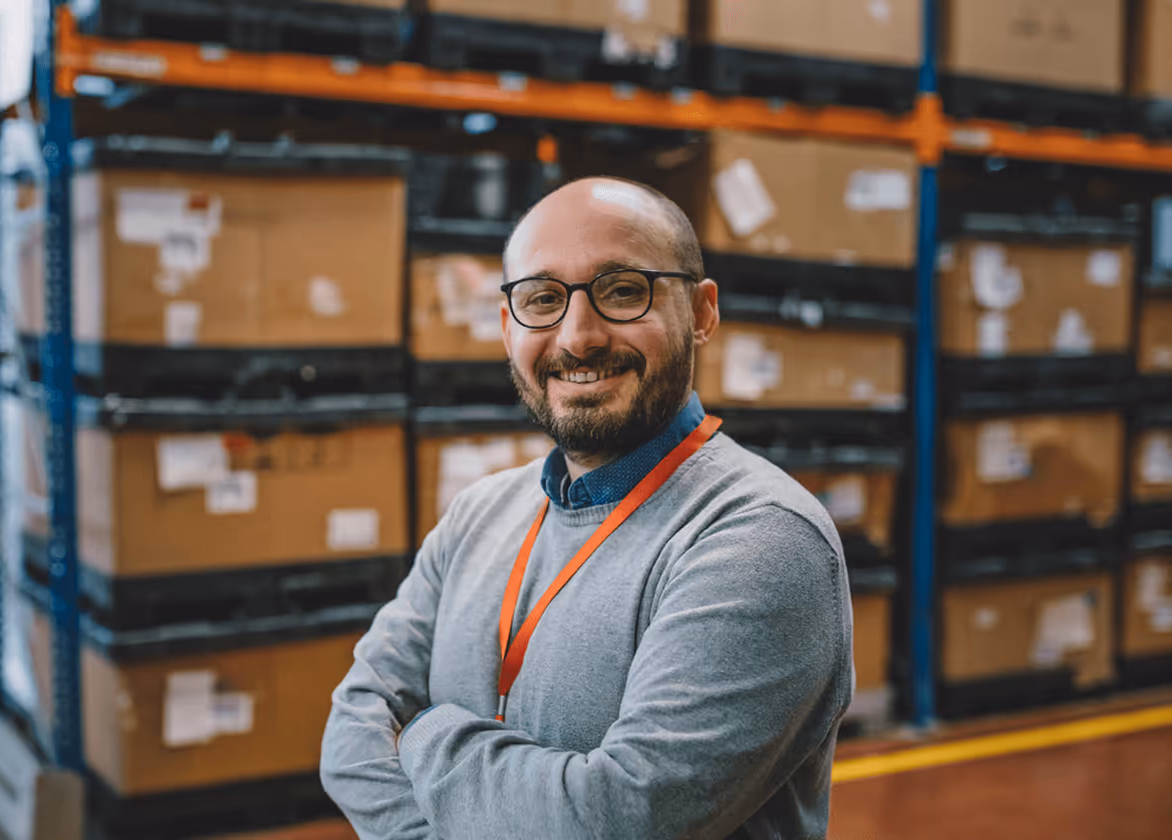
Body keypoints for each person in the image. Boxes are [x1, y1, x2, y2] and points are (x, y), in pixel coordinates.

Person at [320, 176, 853, 840]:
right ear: (506, 325)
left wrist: (425, 736)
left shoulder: (760, 539)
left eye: (623, 291)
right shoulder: (476, 516)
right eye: (542, 298)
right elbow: (351, 732)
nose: (578, 337)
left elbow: (617, 820)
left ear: (703, 311)